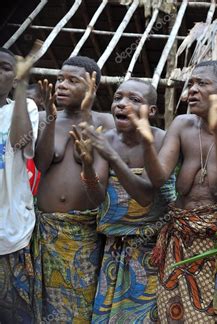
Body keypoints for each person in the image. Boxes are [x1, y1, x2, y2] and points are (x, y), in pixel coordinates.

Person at [132, 60, 217, 322]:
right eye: (191, 84)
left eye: (202, 83)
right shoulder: (182, 125)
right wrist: (145, 142)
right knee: (171, 315)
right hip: (180, 241)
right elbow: (158, 177)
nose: (192, 90)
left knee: (214, 315)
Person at [79, 79, 176, 322]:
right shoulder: (108, 138)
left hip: (152, 249)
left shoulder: (164, 140)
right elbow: (97, 197)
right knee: (108, 314)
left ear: (151, 111)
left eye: (134, 100)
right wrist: (88, 165)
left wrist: (111, 157)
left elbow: (145, 196)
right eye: (118, 98)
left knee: (145, 315)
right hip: (115, 246)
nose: (122, 104)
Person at [32, 56, 114, 322]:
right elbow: (43, 164)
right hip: (44, 229)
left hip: (83, 233)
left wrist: (87, 112)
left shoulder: (106, 122)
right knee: (40, 305)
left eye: (72, 81)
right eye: (60, 79)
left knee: (79, 306)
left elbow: (97, 191)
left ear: (92, 86)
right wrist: (52, 118)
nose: (61, 85)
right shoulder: (45, 117)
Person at [0, 44, 40, 323]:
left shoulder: (24, 107)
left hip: (10, 234)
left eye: (4, 68)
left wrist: (23, 86)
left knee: (14, 315)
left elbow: (20, 142)